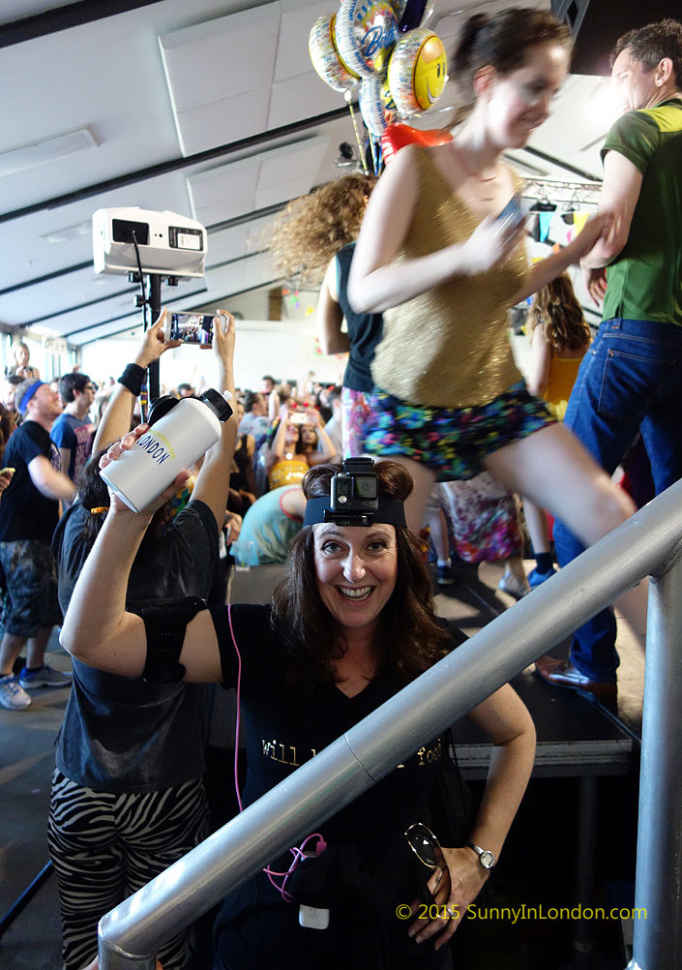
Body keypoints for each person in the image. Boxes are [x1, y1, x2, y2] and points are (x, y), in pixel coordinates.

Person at [61, 455, 535, 969]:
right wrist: (127, 512)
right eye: (333, 546)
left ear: (404, 554)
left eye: (376, 545)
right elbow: (93, 640)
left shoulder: (438, 653)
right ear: (308, 554)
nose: (354, 571)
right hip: (272, 929)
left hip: (403, 932)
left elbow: (516, 734)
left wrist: (480, 858)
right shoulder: (258, 638)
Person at [347, 7, 647, 687]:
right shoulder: (414, 169)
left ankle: (675, 690)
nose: (545, 106)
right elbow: (365, 289)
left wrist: (572, 252)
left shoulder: (508, 184)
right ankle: (365, 737)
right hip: (411, 406)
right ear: (486, 81)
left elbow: (497, 292)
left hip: (493, 396)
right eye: (533, 87)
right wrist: (463, 255)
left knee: (612, 514)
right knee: (380, 579)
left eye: (555, 91)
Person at [48, 309, 238, 970]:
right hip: (167, 786)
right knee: (157, 948)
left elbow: (105, 472)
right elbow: (221, 450)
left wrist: (143, 354)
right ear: (179, 484)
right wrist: (225, 365)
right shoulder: (192, 545)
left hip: (81, 783)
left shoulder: (80, 542)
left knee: (84, 943)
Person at [536, 18, 682, 695]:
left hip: (633, 339)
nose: (619, 89)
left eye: (625, 74)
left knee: (574, 493)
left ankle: (594, 662)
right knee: (673, 516)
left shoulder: (641, 128)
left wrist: (594, 256)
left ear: (663, 71)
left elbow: (612, 226)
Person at [268, 173, 378, 456]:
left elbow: (328, 342)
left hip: (363, 387)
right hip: (414, 385)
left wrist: (366, 340)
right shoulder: (414, 248)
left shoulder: (339, 263)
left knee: (366, 483)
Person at [0, 380, 76, 710]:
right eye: (48, 392)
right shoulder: (27, 434)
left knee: (47, 606)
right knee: (24, 608)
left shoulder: (44, 436)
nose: (56, 394)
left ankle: (33, 669)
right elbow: (45, 479)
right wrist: (79, 496)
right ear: (29, 403)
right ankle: (4, 676)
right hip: (20, 537)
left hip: (41, 535)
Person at [522, 274, 592, 588]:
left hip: (547, 420)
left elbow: (537, 383)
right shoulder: (582, 331)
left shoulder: (542, 329)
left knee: (530, 493)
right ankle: (586, 558)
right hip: (578, 416)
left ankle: (542, 566)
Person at [265, 404, 337, 490]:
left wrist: (317, 426)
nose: (294, 429)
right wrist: (283, 423)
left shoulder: (304, 457)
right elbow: (276, 453)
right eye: (288, 427)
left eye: (295, 428)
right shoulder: (271, 456)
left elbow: (330, 453)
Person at [50, 371, 96, 488]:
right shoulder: (63, 426)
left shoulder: (85, 417)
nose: (93, 392)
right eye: (89, 388)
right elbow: (61, 472)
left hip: (84, 486)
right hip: (71, 493)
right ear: (76, 392)